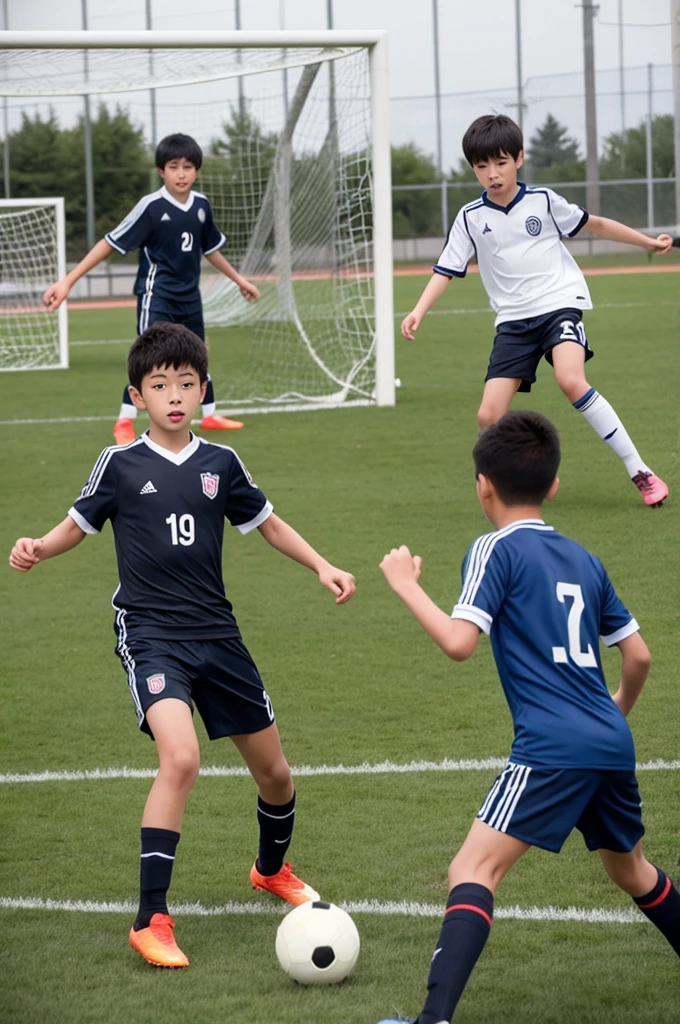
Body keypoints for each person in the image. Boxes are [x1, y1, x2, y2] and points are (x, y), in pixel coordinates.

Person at [9, 321, 356, 969]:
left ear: (203, 392)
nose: (174, 395)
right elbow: (77, 524)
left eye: (186, 384)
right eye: (159, 384)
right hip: (150, 632)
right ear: (137, 395)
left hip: (218, 635)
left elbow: (268, 523)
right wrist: (38, 547)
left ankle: (269, 869)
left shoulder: (221, 464)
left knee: (276, 775)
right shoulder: (119, 463)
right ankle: (151, 918)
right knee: (182, 757)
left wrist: (323, 566)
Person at [375, 410, 680, 1024]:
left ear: (482, 483)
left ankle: (432, 1022)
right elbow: (639, 655)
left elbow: (461, 642)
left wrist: (406, 585)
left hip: (552, 746)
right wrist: (611, 714)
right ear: (555, 487)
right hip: (608, 740)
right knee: (631, 870)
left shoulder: (493, 548)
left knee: (473, 868)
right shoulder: (583, 557)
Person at [401, 114, 673, 508]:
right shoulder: (470, 218)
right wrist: (418, 311)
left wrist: (647, 242)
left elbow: (595, 224)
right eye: (482, 166)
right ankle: (499, 486)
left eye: (501, 163)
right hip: (513, 321)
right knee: (487, 416)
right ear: (473, 169)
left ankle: (640, 470)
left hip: (559, 304)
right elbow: (445, 270)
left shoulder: (543, 201)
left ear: (519, 158)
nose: (492, 174)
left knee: (570, 379)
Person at [42, 132, 259, 445]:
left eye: (187, 166)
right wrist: (67, 281)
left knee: (198, 356)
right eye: (173, 166)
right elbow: (108, 243)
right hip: (157, 296)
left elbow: (209, 249)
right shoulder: (151, 207)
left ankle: (209, 414)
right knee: (151, 359)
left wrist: (240, 280)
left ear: (197, 170)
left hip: (190, 296)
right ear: (161, 171)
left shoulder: (201, 205)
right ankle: (124, 421)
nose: (181, 173)